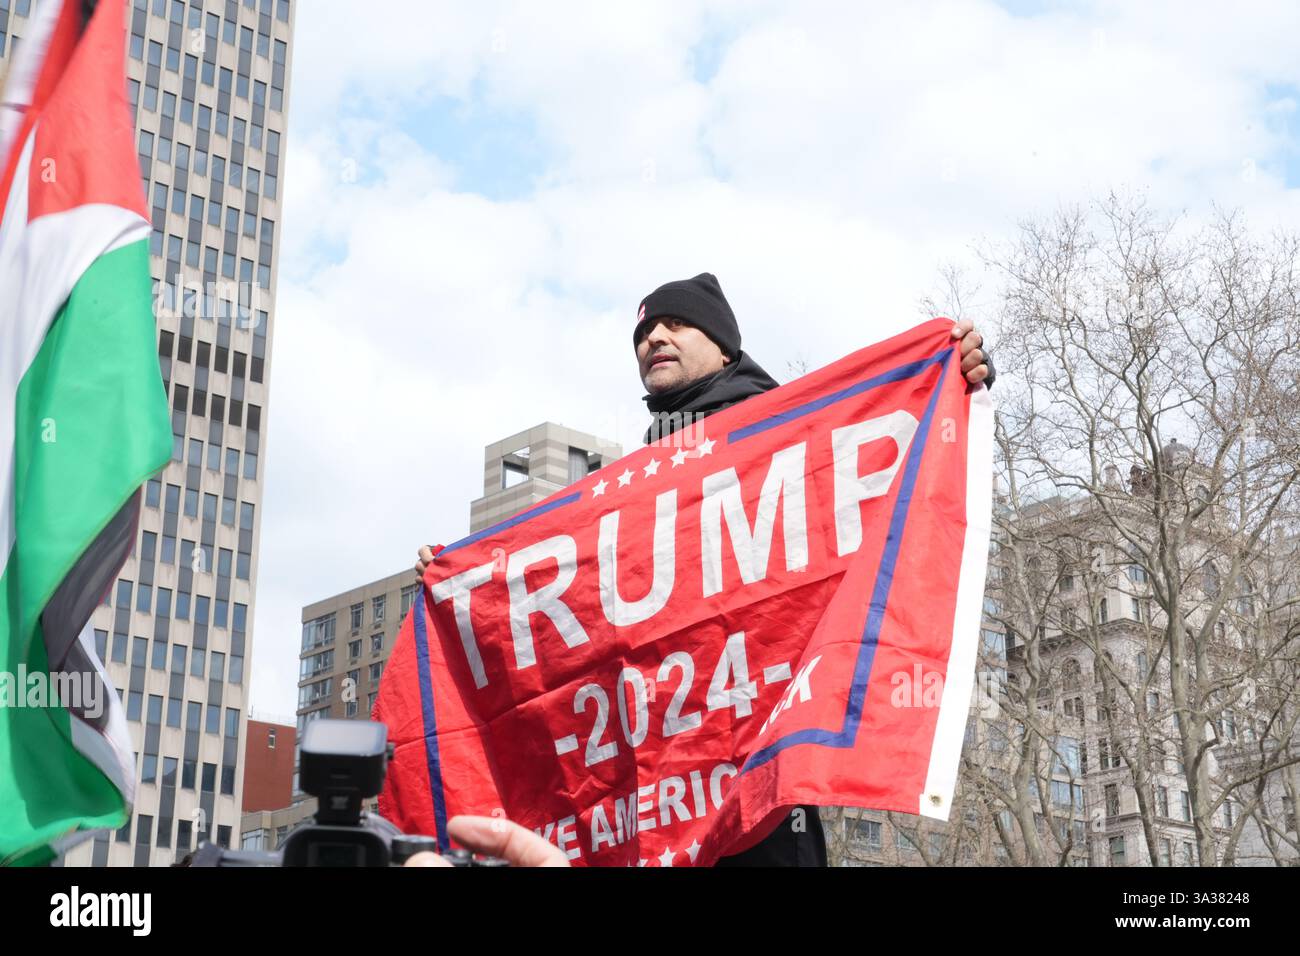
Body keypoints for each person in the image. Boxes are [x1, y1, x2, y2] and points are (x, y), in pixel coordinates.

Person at [414, 272, 995, 867]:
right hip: (658, 805)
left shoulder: (796, 436)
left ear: (724, 347)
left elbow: (884, 468)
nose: (653, 338)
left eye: (675, 323)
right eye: (642, 332)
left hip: (762, 802)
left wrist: (951, 374)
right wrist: (463, 588)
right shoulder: (629, 489)